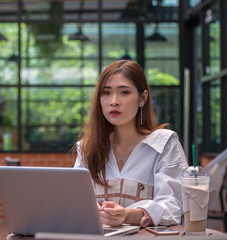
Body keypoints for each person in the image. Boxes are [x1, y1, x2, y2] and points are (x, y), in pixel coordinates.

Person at [73, 60, 188, 228]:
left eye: (124, 92)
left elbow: (173, 206)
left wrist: (129, 215)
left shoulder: (164, 144)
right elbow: (74, 200)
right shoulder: (87, 148)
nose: (114, 101)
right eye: (106, 93)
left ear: (142, 98)